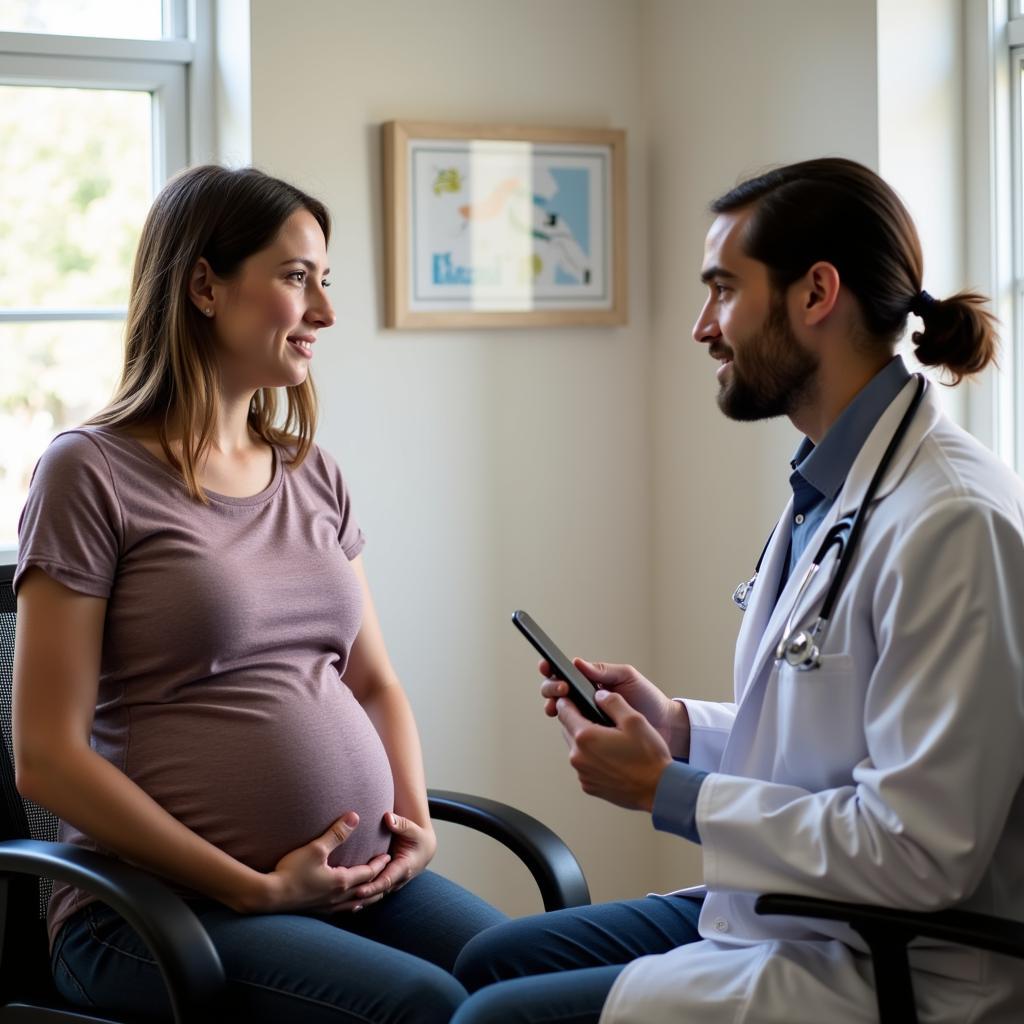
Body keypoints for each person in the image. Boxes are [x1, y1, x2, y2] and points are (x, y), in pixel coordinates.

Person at [450, 158, 1024, 1023]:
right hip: (799, 910)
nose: (700, 328)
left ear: (816, 294)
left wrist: (667, 792)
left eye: (723, 290)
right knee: (488, 963)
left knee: (487, 1018)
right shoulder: (836, 483)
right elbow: (830, 741)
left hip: (893, 960)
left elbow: (918, 851)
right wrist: (681, 731)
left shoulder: (952, 522)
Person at [12, 164, 506, 1023]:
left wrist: (415, 825)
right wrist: (253, 888)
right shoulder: (89, 472)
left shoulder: (311, 471)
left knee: (535, 974)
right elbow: (47, 757)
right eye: (296, 278)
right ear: (204, 284)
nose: (325, 312)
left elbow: (373, 681)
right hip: (155, 912)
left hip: (361, 884)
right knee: (428, 1007)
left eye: (326, 280)